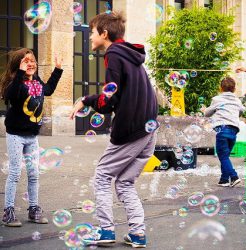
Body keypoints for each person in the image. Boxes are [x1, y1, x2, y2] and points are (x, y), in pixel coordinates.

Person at [70, 11, 158, 248]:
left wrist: (87, 100)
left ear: (104, 33)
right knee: (124, 182)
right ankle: (138, 234)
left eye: (92, 32)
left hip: (131, 129)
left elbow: (109, 101)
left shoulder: (114, 55)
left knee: (102, 176)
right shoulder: (131, 55)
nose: (89, 37)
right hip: (148, 129)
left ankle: (106, 231)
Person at [0, 48, 63, 227]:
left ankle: (33, 209)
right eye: (25, 61)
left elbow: (48, 90)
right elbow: (13, 94)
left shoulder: (36, 81)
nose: (30, 63)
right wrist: (20, 74)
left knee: (34, 173)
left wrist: (57, 69)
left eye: (32, 60)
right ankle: (8, 212)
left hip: (32, 136)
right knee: (14, 173)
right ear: (19, 65)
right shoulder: (15, 83)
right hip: (15, 135)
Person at [201, 77, 245, 187]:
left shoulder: (217, 99)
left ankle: (234, 177)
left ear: (221, 88)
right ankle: (224, 180)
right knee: (225, 155)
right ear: (234, 89)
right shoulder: (237, 100)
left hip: (222, 131)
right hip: (233, 131)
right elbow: (242, 111)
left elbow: (207, 113)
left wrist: (204, 110)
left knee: (223, 156)